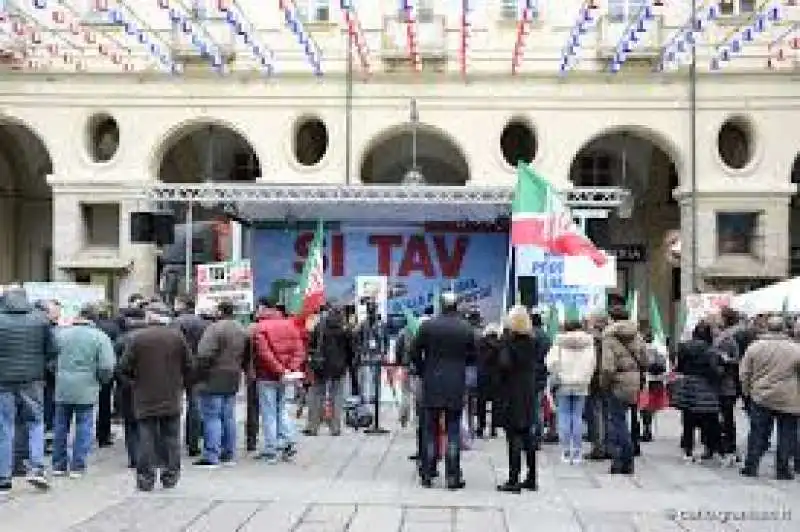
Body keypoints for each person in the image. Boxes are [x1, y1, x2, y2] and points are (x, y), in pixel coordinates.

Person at [118, 302, 193, 492]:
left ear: (149, 317)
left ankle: (146, 479)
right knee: (171, 438)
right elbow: (190, 365)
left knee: (146, 438)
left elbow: (123, 368)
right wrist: (181, 384)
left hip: (145, 396)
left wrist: (134, 384)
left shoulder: (138, 338)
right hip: (171, 395)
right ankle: (170, 476)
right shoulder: (177, 338)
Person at [410, 292, 477, 490]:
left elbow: (414, 351)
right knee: (453, 430)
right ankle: (452, 475)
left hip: (432, 381)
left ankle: (428, 472)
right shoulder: (465, 328)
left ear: (441, 305)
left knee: (430, 429)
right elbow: (473, 356)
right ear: (456, 305)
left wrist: (423, 369)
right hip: (455, 382)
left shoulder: (428, 326)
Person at [0, 287, 58, 495]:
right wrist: (42, 368)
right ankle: (36, 468)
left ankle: (4, 477)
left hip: (3, 381)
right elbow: (53, 350)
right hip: (33, 380)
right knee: (35, 423)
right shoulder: (40, 319)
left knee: (4, 427)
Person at [51, 305, 116, 477]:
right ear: (94, 319)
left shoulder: (61, 334)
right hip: (87, 386)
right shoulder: (100, 337)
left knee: (60, 426)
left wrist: (59, 373)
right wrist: (101, 381)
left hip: (63, 386)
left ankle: (58, 465)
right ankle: (77, 466)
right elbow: (107, 366)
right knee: (84, 426)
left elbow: (50, 359)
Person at [740, 315, 800, 480]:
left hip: (761, 396)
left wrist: (747, 392)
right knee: (786, 434)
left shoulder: (755, 347)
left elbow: (744, 373)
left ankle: (751, 466)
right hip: (789, 398)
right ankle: (782, 470)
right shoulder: (795, 349)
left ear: (767, 327)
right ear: (784, 329)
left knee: (758, 432)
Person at [194, 300, 248, 468]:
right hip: (233, 375)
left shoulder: (214, 328)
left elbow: (204, 354)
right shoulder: (241, 329)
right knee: (228, 416)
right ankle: (228, 453)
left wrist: (198, 375)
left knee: (211, 417)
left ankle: (212, 454)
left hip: (213, 376)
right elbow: (247, 355)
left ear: (219, 312)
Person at [252, 298, 305, 464]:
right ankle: (288, 440)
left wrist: (280, 370)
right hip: (285, 376)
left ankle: (271, 449)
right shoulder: (289, 325)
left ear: (262, 308)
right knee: (281, 408)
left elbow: (264, 354)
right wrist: (290, 369)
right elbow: (299, 350)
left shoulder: (260, 327)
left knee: (269, 413)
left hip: (267, 376)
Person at [495, 306, 538, 493]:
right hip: (528, 391)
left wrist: (503, 343)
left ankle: (513, 479)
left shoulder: (509, 343)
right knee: (528, 435)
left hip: (513, 392)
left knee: (514, 436)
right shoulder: (533, 341)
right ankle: (531, 477)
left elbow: (504, 365)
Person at [599, 306, 646, 475]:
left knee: (617, 422)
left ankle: (622, 460)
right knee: (629, 419)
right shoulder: (637, 335)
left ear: (612, 319)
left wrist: (604, 384)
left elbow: (607, 367)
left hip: (617, 383)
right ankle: (629, 457)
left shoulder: (609, 338)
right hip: (634, 381)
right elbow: (645, 360)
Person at [545, 319, 596, 464]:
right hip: (581, 384)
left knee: (564, 416)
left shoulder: (559, 343)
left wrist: (558, 374)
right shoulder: (588, 343)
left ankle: (566, 451)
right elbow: (592, 363)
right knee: (577, 417)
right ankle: (578, 452)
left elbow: (551, 363)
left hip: (563, 384)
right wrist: (586, 377)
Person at [674, 321, 723, 463]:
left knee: (688, 418)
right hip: (706, 387)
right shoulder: (711, 351)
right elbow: (714, 370)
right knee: (709, 419)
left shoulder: (684, 347)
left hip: (688, 385)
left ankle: (688, 449)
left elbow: (680, 367)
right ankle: (709, 448)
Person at [305, 305, 354, 436]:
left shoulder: (320, 325)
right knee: (337, 396)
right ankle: (335, 427)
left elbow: (311, 344)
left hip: (321, 365)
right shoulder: (345, 328)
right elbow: (351, 350)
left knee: (316, 395)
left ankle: (313, 426)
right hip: (339, 367)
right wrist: (349, 365)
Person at [171, 295, 208, 457]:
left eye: (176, 303)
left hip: (178, 368)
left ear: (182, 305)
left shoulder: (177, 323)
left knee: (174, 405)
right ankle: (193, 443)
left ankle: (171, 441)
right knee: (195, 406)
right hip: (197, 367)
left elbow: (171, 345)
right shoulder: (204, 323)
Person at [92, 302, 121, 449]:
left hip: (89, 369)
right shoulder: (113, 327)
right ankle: (103, 435)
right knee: (105, 403)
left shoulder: (92, 326)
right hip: (106, 368)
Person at [584, 313, 610, 460]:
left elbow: (590, 361)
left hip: (595, 379)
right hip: (608, 379)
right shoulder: (611, 338)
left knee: (596, 414)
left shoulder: (593, 340)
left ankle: (598, 448)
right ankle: (608, 446)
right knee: (607, 414)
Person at [476, 323, 502, 439]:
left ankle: (481, 427)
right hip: (496, 377)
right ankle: (493, 429)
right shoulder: (500, 345)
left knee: (481, 403)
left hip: (483, 376)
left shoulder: (481, 343)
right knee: (496, 404)